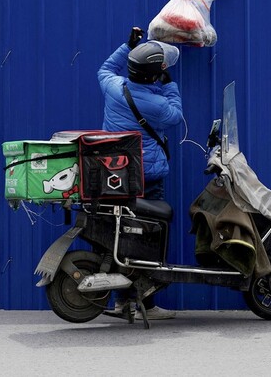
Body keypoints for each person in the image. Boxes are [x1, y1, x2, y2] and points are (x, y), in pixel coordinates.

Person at [97, 26, 183, 320]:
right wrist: (169, 83)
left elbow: (105, 68)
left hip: (117, 176)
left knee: (122, 238)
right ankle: (146, 304)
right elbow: (175, 115)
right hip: (148, 178)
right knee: (149, 239)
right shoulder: (158, 104)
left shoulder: (112, 85)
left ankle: (123, 302)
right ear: (154, 74)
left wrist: (127, 45)